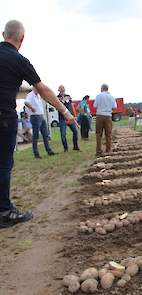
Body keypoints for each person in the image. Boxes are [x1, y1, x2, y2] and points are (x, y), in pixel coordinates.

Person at [0, 20, 76, 228]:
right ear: (22, 39)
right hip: (4, 118)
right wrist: (65, 111)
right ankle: (5, 211)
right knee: (4, 164)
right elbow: (42, 89)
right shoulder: (19, 60)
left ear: (3, 33)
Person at [25, 87, 55, 158]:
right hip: (35, 117)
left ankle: (49, 151)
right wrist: (32, 108)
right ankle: (36, 154)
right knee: (36, 136)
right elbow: (26, 102)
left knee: (45, 134)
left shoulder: (38, 95)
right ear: (34, 88)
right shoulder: (30, 95)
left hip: (41, 116)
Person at [94, 84, 117, 156]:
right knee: (108, 134)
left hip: (99, 115)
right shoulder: (112, 97)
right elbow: (114, 107)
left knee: (98, 134)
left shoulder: (98, 96)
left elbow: (95, 106)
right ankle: (108, 150)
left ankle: (99, 151)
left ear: (102, 88)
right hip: (108, 116)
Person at [57, 85, 80, 152]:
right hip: (62, 118)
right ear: (59, 90)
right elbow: (57, 106)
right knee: (63, 135)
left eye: (63, 89)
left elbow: (71, 106)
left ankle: (75, 146)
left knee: (75, 132)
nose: (62, 90)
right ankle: (65, 148)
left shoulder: (68, 96)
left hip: (70, 117)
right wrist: (62, 101)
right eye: (61, 89)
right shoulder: (57, 98)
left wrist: (74, 115)